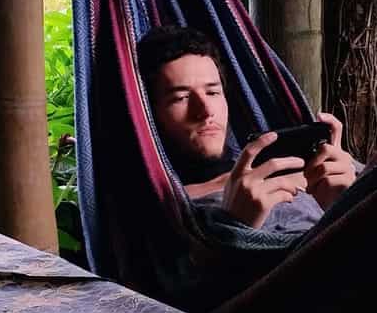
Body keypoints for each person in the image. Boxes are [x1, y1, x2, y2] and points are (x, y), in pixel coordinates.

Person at [136, 24, 358, 233]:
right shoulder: (159, 213)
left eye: (213, 93)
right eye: (181, 98)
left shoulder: (308, 169)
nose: (205, 111)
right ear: (146, 111)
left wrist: (349, 201)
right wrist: (237, 229)